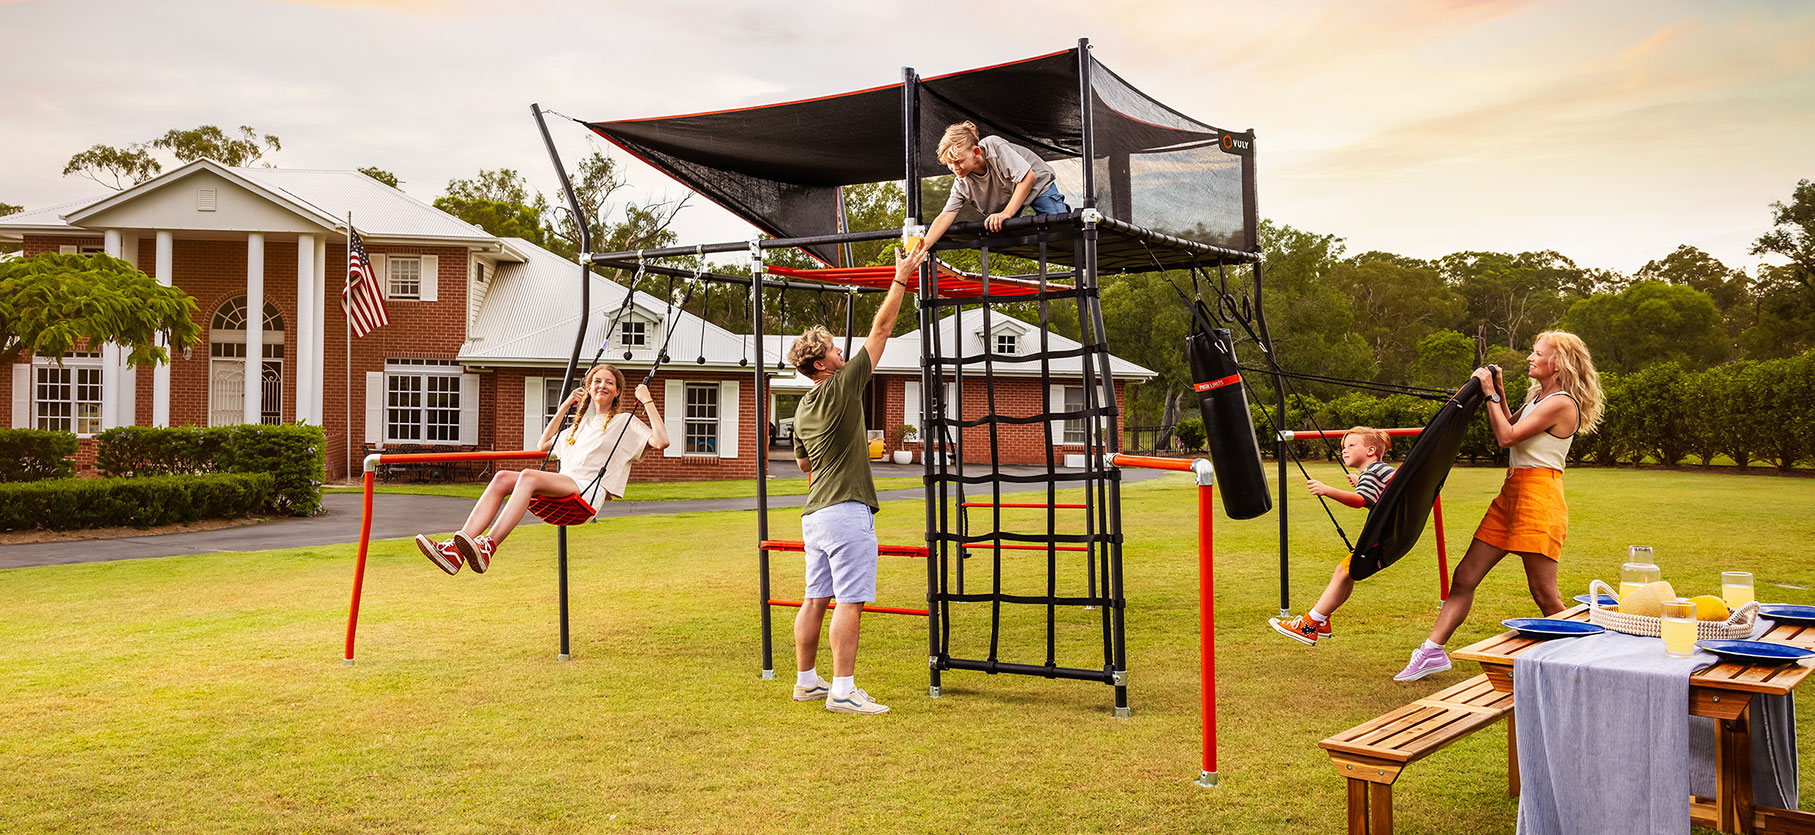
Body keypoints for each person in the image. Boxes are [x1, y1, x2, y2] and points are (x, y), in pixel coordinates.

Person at [1395, 331, 1604, 681]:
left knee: (1544, 593)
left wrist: (1490, 391)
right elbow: (1511, 423)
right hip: (1512, 492)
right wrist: (1500, 390)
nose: (1530, 358)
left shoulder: (1562, 403)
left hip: (1540, 496)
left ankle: (1587, 661)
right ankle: (1432, 652)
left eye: (1537, 353)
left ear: (1558, 362)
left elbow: (1506, 437)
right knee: (1464, 577)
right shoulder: (1541, 395)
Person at [785, 247, 928, 715]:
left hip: (815, 516)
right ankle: (843, 691)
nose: (841, 353)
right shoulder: (842, 384)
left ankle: (807, 682)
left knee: (814, 599)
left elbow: (805, 468)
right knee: (849, 601)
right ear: (823, 366)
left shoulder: (803, 409)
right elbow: (881, 330)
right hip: (847, 512)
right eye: (834, 350)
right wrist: (902, 277)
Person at [414, 363, 669, 574]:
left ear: (617, 392)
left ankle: (489, 545)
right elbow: (544, 443)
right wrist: (565, 406)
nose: (602, 385)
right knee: (502, 477)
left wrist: (647, 401)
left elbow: (661, 441)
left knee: (528, 476)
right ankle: (455, 552)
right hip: (566, 486)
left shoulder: (624, 422)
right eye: (596, 381)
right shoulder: (581, 425)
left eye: (609, 382)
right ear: (589, 389)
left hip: (586, 493)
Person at [1268, 427, 1397, 646]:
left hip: (1379, 537)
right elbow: (1382, 495)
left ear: (1371, 450)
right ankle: (1323, 620)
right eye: (1343, 447)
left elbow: (1359, 501)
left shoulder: (1371, 472)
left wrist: (1326, 489)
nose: (1345, 451)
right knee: (1347, 573)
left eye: (1351, 446)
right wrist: (1360, 483)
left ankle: (1309, 624)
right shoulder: (1380, 470)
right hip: (1390, 534)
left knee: (1342, 572)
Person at [916, 121, 1069, 253]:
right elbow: (946, 215)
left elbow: (1028, 177)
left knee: (1060, 228)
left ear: (976, 152)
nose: (954, 167)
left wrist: (1007, 213)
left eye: (958, 161)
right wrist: (924, 245)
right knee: (1005, 234)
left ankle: (1063, 215)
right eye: (949, 163)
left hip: (1037, 185)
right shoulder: (961, 183)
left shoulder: (994, 147)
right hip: (1010, 197)